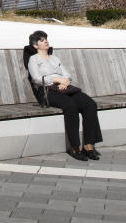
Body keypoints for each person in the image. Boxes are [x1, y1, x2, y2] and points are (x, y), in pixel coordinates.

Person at [26, 30, 103, 161]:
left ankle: (89, 146)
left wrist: (65, 81)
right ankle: (74, 148)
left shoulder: (55, 59)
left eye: (46, 39)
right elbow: (36, 78)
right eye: (41, 40)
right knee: (70, 106)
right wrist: (56, 80)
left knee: (90, 104)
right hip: (47, 90)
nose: (45, 41)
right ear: (35, 46)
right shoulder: (33, 59)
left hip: (65, 88)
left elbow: (67, 74)